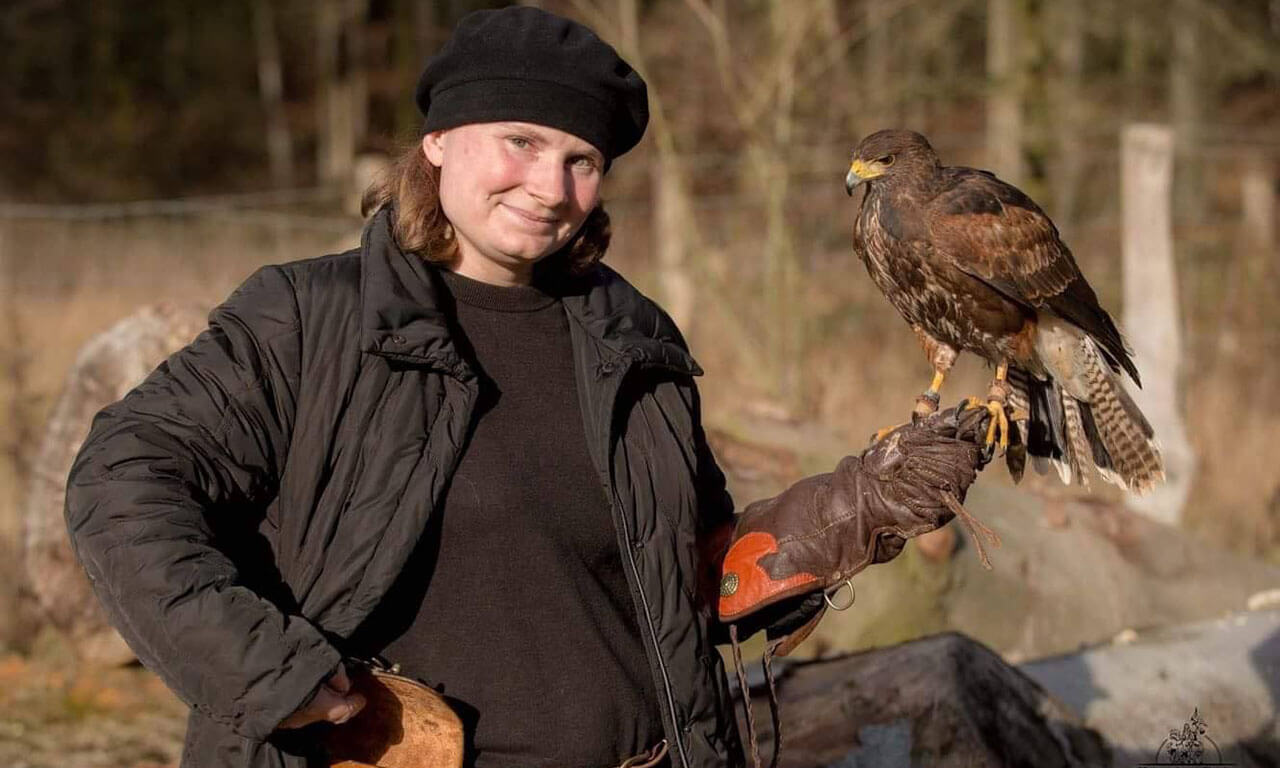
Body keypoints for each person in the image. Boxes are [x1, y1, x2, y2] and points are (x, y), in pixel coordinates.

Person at [65, 7, 993, 768]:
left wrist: (853, 506)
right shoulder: (306, 319)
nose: (548, 185)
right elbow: (121, 482)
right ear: (436, 143)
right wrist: (267, 671)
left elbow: (684, 573)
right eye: (519, 141)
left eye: (581, 161)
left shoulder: (633, 342)